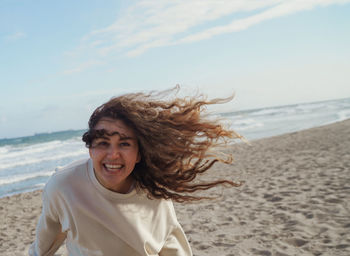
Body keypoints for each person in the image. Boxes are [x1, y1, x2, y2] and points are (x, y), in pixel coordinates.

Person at [29, 87, 242, 256]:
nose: (113, 155)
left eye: (124, 144)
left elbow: (171, 245)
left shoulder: (154, 194)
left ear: (139, 153)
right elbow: (42, 247)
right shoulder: (64, 186)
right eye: (103, 143)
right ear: (90, 149)